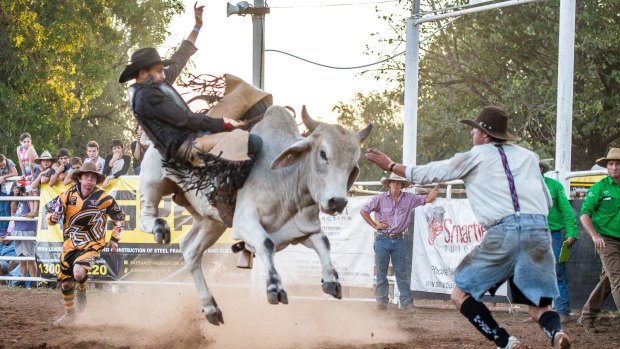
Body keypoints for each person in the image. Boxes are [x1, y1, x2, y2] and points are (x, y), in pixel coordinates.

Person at [365, 106, 571, 349]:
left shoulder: (473, 157)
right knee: (539, 307)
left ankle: (506, 342)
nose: (472, 134)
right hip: (539, 230)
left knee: (459, 294)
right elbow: (546, 202)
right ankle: (556, 333)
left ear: (484, 134)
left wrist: (390, 165)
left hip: (503, 230)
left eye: (474, 129)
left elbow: (427, 173)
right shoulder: (528, 158)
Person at [119, 2, 270, 226]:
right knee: (253, 143)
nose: (164, 74)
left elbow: (180, 58)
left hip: (195, 133)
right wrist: (224, 124)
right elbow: (185, 120)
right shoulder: (145, 98)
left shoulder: (156, 84)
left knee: (248, 96)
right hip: (183, 146)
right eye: (159, 70)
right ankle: (225, 196)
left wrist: (197, 27)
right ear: (144, 73)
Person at [46, 162, 125, 326]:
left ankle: (82, 289)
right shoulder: (68, 195)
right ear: (80, 178)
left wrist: (115, 239)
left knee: (79, 272)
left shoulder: (104, 198)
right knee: (66, 283)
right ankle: (70, 314)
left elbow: (120, 218)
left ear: (96, 180)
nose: (90, 180)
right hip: (70, 245)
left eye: (93, 177)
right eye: (87, 176)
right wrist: (51, 218)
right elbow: (50, 212)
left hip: (92, 244)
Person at [360, 173, 439, 310]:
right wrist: (375, 225)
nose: (395, 184)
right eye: (393, 182)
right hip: (382, 238)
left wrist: (438, 185)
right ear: (389, 183)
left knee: (401, 272)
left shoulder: (409, 198)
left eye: (398, 182)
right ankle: (382, 302)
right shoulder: (379, 198)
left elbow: (428, 199)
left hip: (398, 239)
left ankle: (406, 302)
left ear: (402, 185)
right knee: (381, 271)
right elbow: (363, 211)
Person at [577, 148, 620, 332]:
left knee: (608, 281)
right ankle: (587, 318)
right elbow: (584, 214)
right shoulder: (600, 187)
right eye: (611, 164)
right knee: (618, 278)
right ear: (606, 166)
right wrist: (595, 236)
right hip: (606, 241)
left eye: (618, 164)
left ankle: (587, 317)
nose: (614, 167)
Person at [538, 160, 578, 323]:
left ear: (540, 168)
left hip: (553, 234)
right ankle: (540, 311)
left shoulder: (554, 186)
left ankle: (562, 311)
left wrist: (572, 232)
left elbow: (567, 210)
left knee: (557, 272)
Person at [10, 184, 38, 288]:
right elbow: (12, 211)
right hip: (17, 228)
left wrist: (26, 191)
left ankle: (33, 281)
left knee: (30, 257)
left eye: (22, 188)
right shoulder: (18, 199)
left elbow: (33, 209)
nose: (21, 191)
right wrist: (14, 195)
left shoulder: (30, 197)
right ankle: (22, 280)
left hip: (28, 228)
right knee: (21, 257)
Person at [16, 133, 38, 213]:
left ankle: (35, 212)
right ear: (20, 142)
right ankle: (31, 211)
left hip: (34, 170)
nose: (27, 143)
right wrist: (23, 173)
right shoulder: (19, 149)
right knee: (28, 192)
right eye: (24, 141)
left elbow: (31, 163)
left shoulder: (31, 149)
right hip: (27, 171)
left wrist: (32, 175)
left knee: (34, 191)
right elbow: (20, 162)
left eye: (28, 141)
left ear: (31, 142)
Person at [0, 154, 18, 238]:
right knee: (1, 209)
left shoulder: (9, 162)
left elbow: (15, 173)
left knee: (6, 208)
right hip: (2, 189)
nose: (2, 166)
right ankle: (1, 227)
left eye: (3, 164)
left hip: (10, 188)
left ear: (5, 160)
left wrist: (4, 176)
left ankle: (4, 228)